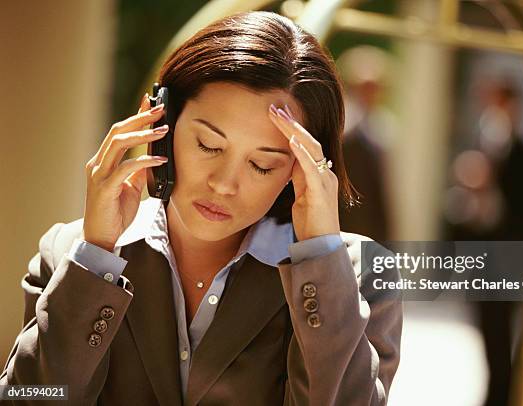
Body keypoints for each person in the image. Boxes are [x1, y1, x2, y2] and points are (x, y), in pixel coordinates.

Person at [0, 11, 402, 406]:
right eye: (208, 145)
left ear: (299, 169)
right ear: (159, 122)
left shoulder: (358, 276)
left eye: (262, 164)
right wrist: (96, 256)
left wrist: (320, 258)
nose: (224, 185)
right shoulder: (72, 253)